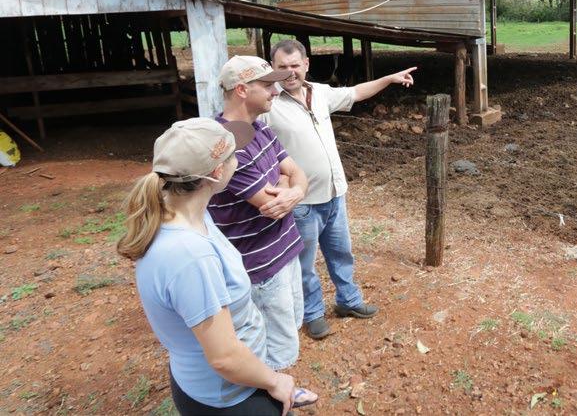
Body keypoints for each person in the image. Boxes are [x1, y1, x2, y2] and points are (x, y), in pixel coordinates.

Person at [117, 117, 318, 415]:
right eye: (234, 154)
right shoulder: (191, 256)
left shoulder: (182, 211)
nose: (240, 158)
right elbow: (225, 358)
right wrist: (276, 381)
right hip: (231, 396)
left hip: (215, 382)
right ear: (217, 172)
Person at [265, 39, 416, 339]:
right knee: (304, 263)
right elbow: (253, 144)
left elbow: (355, 92)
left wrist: (388, 79)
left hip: (335, 193)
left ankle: (348, 301)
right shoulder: (268, 105)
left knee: (341, 253)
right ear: (273, 69)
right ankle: (313, 314)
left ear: (306, 64)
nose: (290, 72)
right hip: (302, 201)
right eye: (282, 67)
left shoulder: (319, 92)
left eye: (295, 65)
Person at [209, 55, 311, 374]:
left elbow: (297, 174)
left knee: (290, 328)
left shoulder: (258, 129)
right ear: (242, 90)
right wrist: (286, 184)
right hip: (261, 266)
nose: (276, 91)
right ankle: (270, 399)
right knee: (274, 350)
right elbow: (268, 205)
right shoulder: (227, 144)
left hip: (284, 250)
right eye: (267, 85)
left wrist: (293, 189)